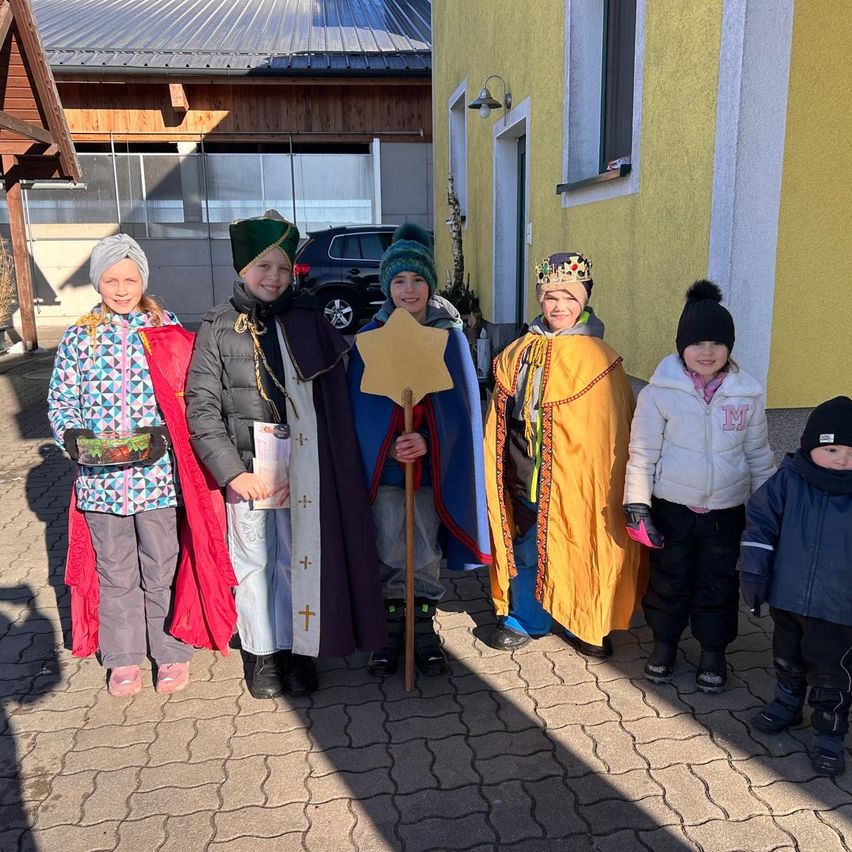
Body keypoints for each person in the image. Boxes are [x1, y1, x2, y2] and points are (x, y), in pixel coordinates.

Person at [185, 211, 387, 699]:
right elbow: (201, 405)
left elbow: (338, 401)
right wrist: (232, 473)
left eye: (280, 267)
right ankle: (262, 654)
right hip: (250, 469)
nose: (272, 278)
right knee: (253, 562)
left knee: (299, 560)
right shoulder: (216, 326)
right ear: (242, 269)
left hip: (305, 467)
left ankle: (301, 650)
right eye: (262, 267)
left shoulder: (311, 320)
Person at [48, 234, 193, 697]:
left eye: (130, 279)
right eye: (111, 279)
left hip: (156, 480)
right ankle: (123, 656)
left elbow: (185, 393)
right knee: (115, 571)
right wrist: (72, 436)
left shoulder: (163, 328)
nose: (122, 288)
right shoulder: (79, 336)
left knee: (161, 564)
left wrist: (165, 435)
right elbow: (61, 400)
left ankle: (169, 651)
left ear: (143, 280)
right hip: (100, 484)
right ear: (98, 282)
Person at [347, 223, 491, 676]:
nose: (409, 289)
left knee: (423, 550)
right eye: (399, 281)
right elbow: (362, 410)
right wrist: (387, 446)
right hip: (388, 476)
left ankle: (424, 630)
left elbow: (460, 410)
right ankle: (392, 634)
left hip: (430, 474)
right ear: (387, 286)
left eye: (418, 280)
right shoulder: (371, 337)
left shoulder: (448, 337)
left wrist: (428, 438)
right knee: (390, 547)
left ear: (430, 284)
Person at [484, 252, 644, 657]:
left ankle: (584, 620)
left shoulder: (602, 359)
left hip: (582, 482)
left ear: (584, 301)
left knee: (582, 544)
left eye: (570, 298)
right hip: (527, 474)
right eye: (551, 297)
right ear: (540, 298)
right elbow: (501, 421)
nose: (559, 306)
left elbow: (616, 429)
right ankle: (527, 617)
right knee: (526, 546)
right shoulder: (517, 354)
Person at [624, 280, 776, 692]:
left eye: (716, 342)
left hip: (726, 511)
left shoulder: (747, 394)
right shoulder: (659, 394)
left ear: (729, 347)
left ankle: (713, 651)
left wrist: (768, 512)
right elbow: (642, 453)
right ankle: (665, 644)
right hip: (672, 508)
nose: (706, 351)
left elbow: (759, 454)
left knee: (718, 582)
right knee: (669, 580)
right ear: (681, 346)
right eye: (697, 342)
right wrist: (637, 505)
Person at [739, 396, 852, 776]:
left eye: (851, 452)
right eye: (832, 449)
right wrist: (754, 575)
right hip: (787, 597)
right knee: (787, 656)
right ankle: (787, 702)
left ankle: (829, 731)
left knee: (832, 670)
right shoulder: (788, 481)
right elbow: (760, 525)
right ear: (810, 446)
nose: (841, 459)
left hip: (839, 608)